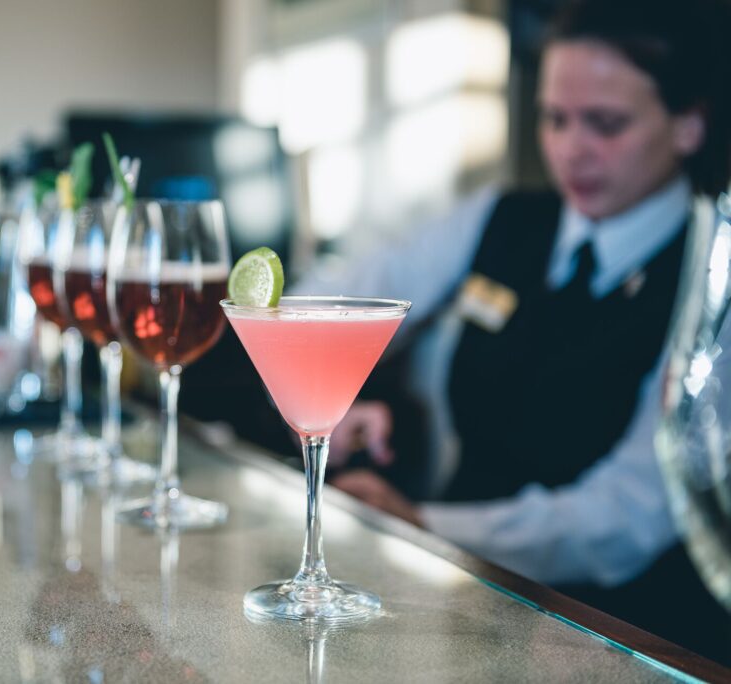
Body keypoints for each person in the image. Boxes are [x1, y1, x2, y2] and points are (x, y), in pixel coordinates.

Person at [293, 0, 731, 661]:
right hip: (456, 602)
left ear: (690, 125)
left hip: (619, 634)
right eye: (554, 119)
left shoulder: (713, 270)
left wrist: (424, 525)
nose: (570, 149)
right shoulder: (500, 218)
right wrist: (328, 388)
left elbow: (633, 512)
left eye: (605, 124)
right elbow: (317, 304)